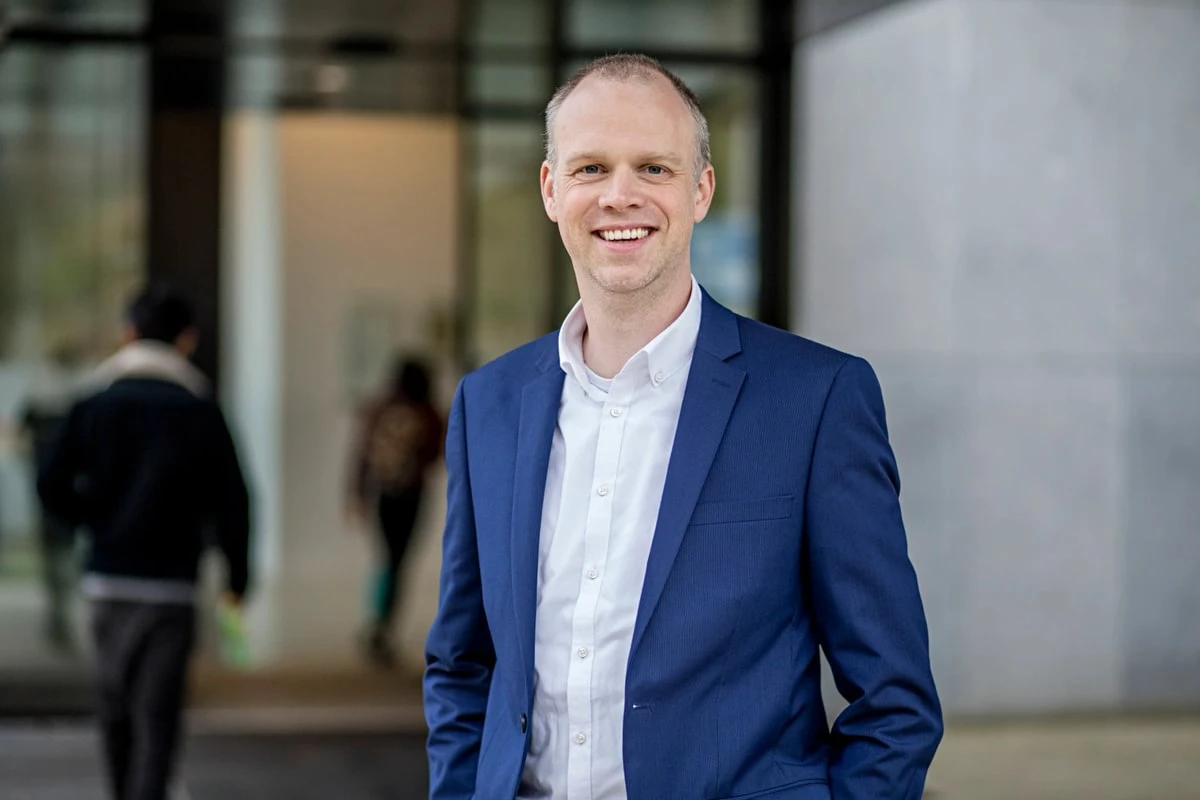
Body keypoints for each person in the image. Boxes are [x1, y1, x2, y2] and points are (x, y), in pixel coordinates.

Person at [424, 53, 942, 800]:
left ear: (701, 189)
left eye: (655, 169)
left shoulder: (816, 399)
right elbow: (461, 663)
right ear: (550, 189)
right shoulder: (489, 404)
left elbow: (895, 700)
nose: (620, 195)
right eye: (591, 168)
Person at [37, 284, 251, 800]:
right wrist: (237, 575)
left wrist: (92, 522)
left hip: (108, 580)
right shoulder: (200, 409)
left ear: (127, 334)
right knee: (157, 715)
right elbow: (234, 499)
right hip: (170, 587)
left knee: (115, 708)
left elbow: (49, 480)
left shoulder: (93, 404)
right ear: (187, 341)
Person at [347, 356, 443, 668]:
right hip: (412, 496)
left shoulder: (379, 409)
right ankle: (382, 624)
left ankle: (379, 622)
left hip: (384, 496)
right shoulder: (426, 413)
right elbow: (436, 454)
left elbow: (362, 454)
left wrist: (357, 494)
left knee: (388, 560)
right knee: (397, 561)